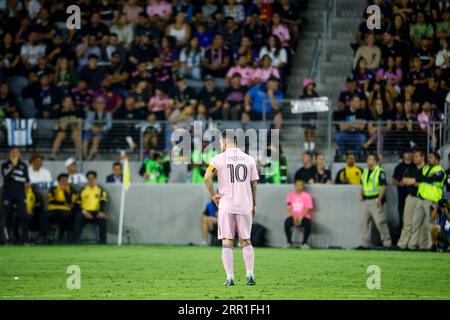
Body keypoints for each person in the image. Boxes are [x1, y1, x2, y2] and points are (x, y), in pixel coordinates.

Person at [204, 131, 259, 286]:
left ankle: (230, 278)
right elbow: (253, 184)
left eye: (221, 142)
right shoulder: (249, 160)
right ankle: (250, 275)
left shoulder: (218, 159)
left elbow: (207, 178)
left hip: (226, 206)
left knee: (227, 242)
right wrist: (254, 204)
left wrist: (213, 195)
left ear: (224, 142)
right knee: (246, 240)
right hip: (245, 205)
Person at [403, 152, 447, 250]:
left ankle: (431, 245)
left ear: (437, 160)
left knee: (430, 224)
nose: (429, 159)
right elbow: (419, 178)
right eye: (429, 158)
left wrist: (422, 179)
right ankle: (412, 246)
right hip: (422, 200)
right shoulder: (426, 168)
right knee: (415, 222)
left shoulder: (440, 170)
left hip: (432, 201)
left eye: (431, 158)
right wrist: (423, 179)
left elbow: (431, 178)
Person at [359, 153, 392, 249]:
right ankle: (364, 244)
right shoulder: (365, 171)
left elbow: (384, 186)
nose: (368, 160)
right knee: (363, 223)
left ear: (375, 161)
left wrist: (379, 199)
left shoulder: (380, 171)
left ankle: (387, 244)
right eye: (368, 159)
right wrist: (361, 194)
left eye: (370, 159)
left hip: (375, 200)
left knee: (380, 223)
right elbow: (363, 184)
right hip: (366, 200)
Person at [397, 150, 428, 250]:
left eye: (416, 156)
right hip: (411, 198)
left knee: (422, 224)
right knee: (407, 222)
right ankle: (402, 244)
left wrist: (415, 181)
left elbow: (426, 183)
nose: (414, 158)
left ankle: (421, 245)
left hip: (423, 198)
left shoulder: (427, 169)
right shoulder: (411, 168)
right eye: (414, 156)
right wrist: (417, 181)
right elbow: (404, 181)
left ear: (423, 157)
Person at [1, 147, 30, 243]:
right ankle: (8, 239)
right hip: (8, 194)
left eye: (17, 152)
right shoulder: (5, 165)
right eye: (13, 152)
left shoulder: (23, 165)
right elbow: (6, 177)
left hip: (20, 194)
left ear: (19, 154)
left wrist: (15, 176)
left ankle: (24, 238)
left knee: (24, 216)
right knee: (7, 217)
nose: (15, 154)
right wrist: (13, 166)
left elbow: (26, 180)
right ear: (10, 153)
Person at [73, 171, 109, 244]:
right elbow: (77, 204)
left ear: (95, 178)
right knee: (78, 217)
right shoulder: (82, 191)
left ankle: (103, 242)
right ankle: (75, 241)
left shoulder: (101, 190)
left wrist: (101, 212)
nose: (91, 180)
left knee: (103, 220)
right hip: (84, 213)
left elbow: (103, 201)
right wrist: (84, 212)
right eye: (89, 178)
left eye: (92, 178)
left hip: (96, 213)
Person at [41, 173, 77, 243]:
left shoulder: (72, 190)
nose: (64, 182)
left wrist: (65, 192)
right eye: (62, 180)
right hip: (53, 209)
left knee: (66, 216)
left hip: (65, 210)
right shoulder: (53, 189)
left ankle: (61, 236)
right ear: (58, 181)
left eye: (66, 180)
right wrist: (63, 203)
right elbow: (51, 200)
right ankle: (45, 235)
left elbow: (71, 202)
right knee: (44, 215)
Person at [391, 149, 414, 244]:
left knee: (413, 219)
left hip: (413, 196)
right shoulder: (399, 167)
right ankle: (402, 239)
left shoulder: (414, 166)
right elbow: (393, 180)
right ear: (403, 154)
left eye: (410, 153)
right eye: (407, 153)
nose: (408, 155)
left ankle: (411, 240)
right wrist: (399, 183)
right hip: (402, 196)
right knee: (402, 218)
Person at [284, 179, 314, 248]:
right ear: (295, 186)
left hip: (304, 217)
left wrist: (300, 218)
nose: (299, 187)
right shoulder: (290, 195)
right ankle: (289, 242)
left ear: (303, 186)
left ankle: (304, 243)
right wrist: (294, 217)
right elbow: (289, 208)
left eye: (301, 185)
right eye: (297, 185)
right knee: (287, 222)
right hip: (293, 216)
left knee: (308, 223)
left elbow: (307, 209)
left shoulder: (307, 196)